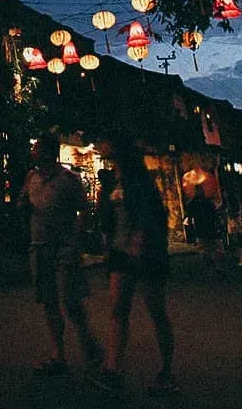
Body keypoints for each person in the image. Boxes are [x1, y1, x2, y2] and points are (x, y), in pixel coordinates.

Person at [93, 140, 176, 396]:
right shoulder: (110, 181)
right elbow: (107, 216)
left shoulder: (138, 181)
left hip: (146, 253)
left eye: (105, 142)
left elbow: (152, 214)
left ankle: (166, 371)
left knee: (156, 311)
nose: (100, 145)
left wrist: (141, 239)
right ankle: (112, 369)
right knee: (118, 309)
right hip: (120, 252)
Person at [17, 133, 101, 375]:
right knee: (48, 301)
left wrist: (76, 237)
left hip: (64, 246)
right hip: (40, 245)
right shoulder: (31, 177)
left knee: (70, 299)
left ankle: (89, 344)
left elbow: (83, 210)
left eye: (38, 149)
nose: (33, 152)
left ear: (49, 152)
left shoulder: (68, 178)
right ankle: (58, 354)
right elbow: (24, 202)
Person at [186, 185, 223, 272]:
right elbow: (214, 214)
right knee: (211, 246)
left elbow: (190, 217)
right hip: (208, 226)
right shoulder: (207, 202)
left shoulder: (192, 203)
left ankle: (210, 264)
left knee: (205, 247)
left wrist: (191, 228)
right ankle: (215, 265)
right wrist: (218, 224)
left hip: (202, 227)